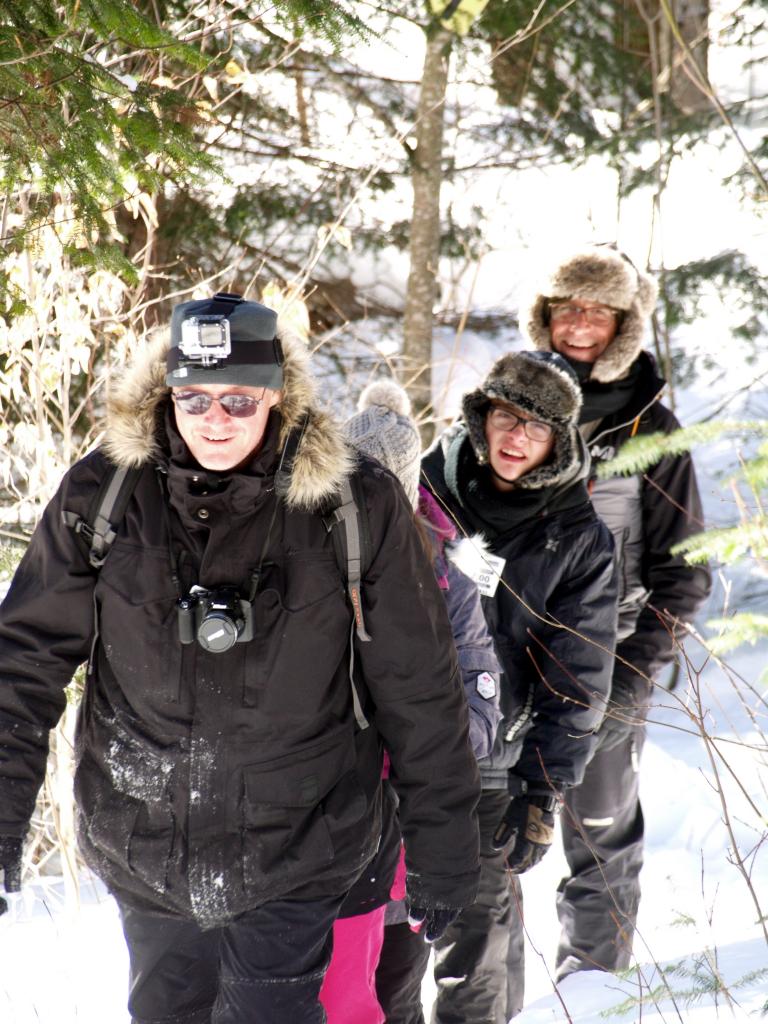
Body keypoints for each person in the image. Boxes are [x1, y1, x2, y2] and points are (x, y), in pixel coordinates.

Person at [0, 292, 482, 1024]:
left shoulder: (354, 503)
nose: (214, 421)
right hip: (142, 836)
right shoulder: (105, 495)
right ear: (168, 393)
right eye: (193, 399)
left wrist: (444, 852)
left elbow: (418, 689)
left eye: (237, 399)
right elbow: (23, 663)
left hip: (301, 840)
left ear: (276, 395)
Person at [521, 243, 711, 982]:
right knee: (483, 838)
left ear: (623, 323)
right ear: (544, 316)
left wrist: (634, 674)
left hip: (606, 662)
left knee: (598, 833)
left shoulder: (651, 431)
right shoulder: (508, 407)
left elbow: (683, 569)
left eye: (598, 311)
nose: (579, 325)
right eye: (566, 308)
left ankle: (593, 984)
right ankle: (486, 997)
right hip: (506, 662)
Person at [410, 349, 619, 1022]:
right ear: (482, 418)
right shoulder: (422, 490)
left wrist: (541, 789)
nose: (515, 437)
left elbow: (577, 678)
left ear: (559, 442)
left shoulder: (578, 537)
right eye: (504, 416)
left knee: (472, 952)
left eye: (536, 427)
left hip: (491, 766)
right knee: (387, 946)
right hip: (397, 749)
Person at [319, 379, 502, 1024]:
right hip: (330, 816)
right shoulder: (315, 548)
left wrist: (417, 731)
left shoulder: (453, 562)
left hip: (409, 816)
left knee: (395, 987)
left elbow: (482, 712)